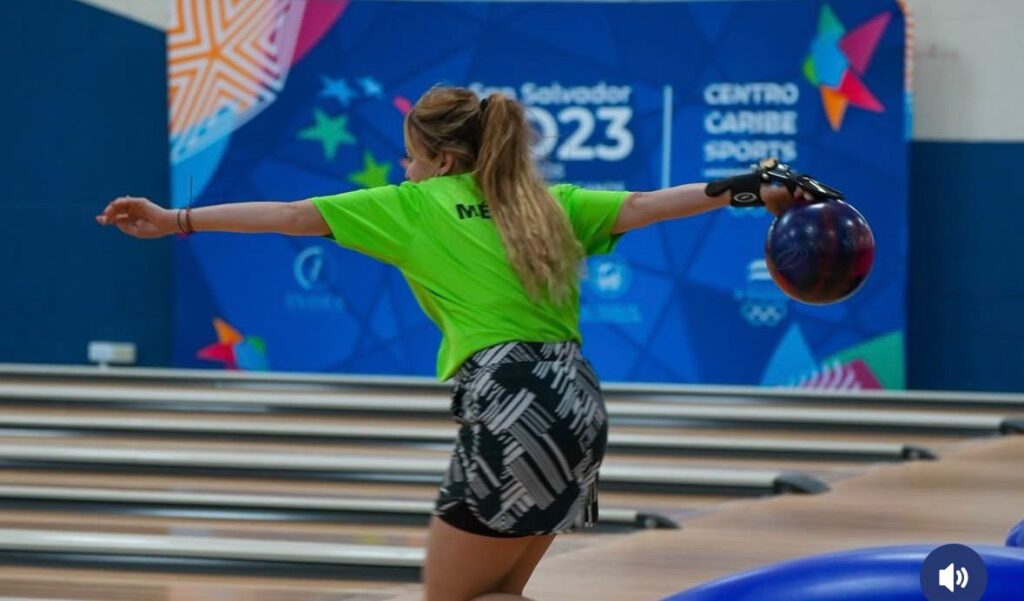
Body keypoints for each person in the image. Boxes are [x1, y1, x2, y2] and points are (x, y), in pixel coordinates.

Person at [97, 86, 796, 601]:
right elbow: (647, 205)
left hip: (509, 400)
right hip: (576, 400)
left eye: (409, 156)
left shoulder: (412, 205)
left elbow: (286, 214)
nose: (403, 168)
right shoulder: (545, 203)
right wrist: (752, 186)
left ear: (440, 158)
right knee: (496, 593)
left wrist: (175, 219)